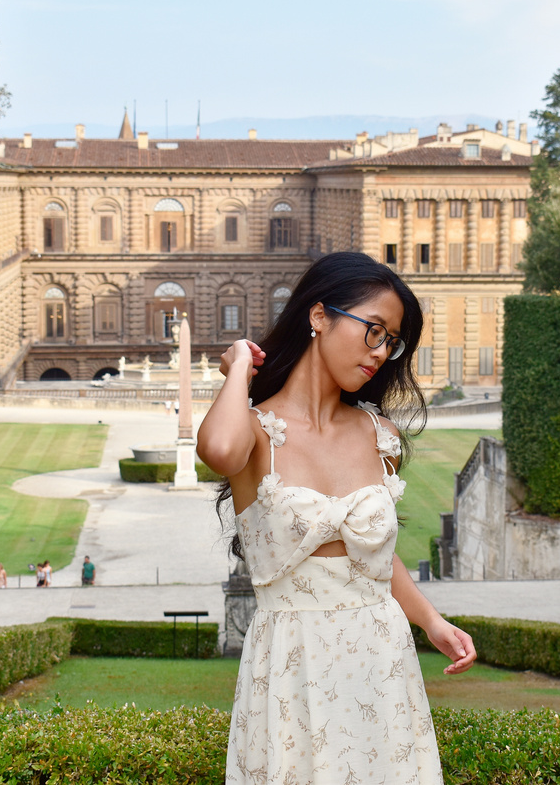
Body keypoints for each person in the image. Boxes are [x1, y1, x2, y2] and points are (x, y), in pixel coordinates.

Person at [197, 251, 475, 784]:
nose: (381, 352)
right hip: (291, 662)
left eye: (391, 341)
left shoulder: (380, 435)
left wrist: (431, 621)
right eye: (374, 330)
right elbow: (220, 450)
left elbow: (373, 558)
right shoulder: (255, 431)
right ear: (319, 315)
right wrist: (238, 370)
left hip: (382, 658)